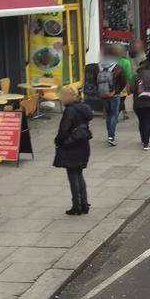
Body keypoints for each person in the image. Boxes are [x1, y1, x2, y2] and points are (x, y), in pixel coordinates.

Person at [53, 87, 93, 215]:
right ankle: (84, 203)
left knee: (72, 175)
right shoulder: (83, 107)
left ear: (70, 96)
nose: (61, 98)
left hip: (72, 145)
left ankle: (77, 206)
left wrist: (58, 141)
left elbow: (64, 130)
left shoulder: (70, 110)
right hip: (83, 144)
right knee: (79, 174)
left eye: (63, 95)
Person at [97, 49, 127, 146]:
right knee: (114, 115)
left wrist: (100, 91)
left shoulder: (99, 66)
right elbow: (123, 81)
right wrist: (116, 91)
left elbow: (95, 80)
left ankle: (109, 134)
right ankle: (111, 136)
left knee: (108, 114)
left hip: (103, 94)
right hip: (114, 95)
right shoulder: (118, 67)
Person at [132, 62, 150, 149]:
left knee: (141, 121)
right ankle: (146, 143)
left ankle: (143, 139)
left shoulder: (135, 77)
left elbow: (131, 89)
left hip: (138, 104)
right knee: (148, 123)